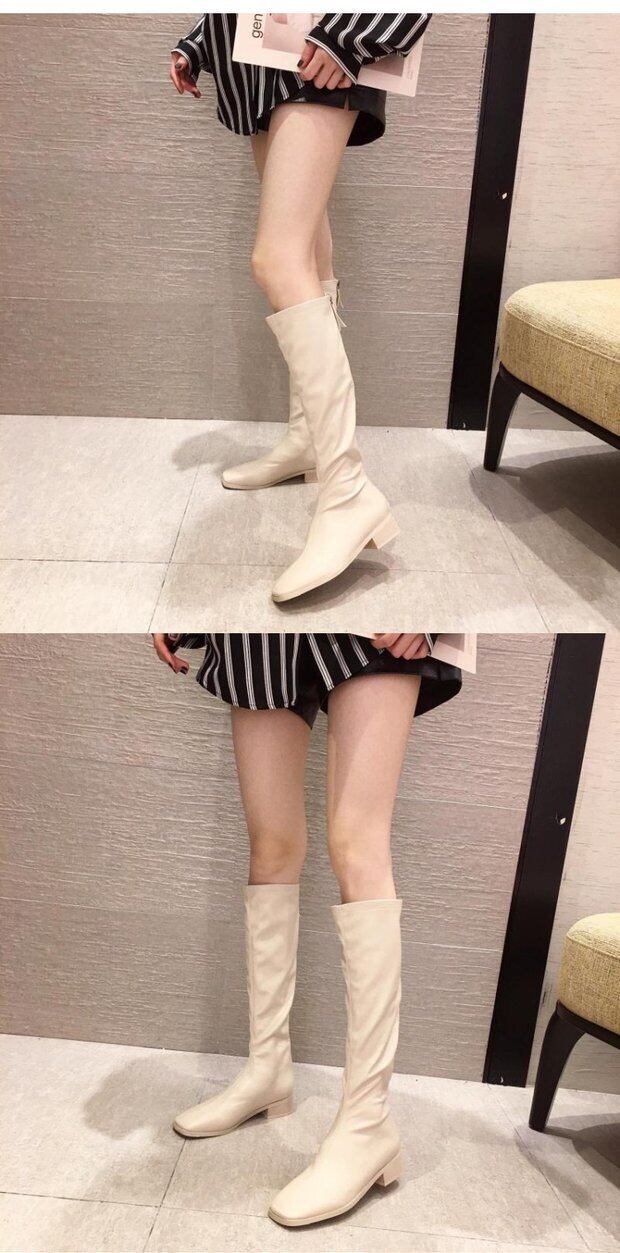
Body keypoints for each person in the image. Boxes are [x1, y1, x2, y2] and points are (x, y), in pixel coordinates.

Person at [152, 631, 460, 1227]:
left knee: (358, 847)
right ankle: (267, 1068)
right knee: (271, 846)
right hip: (261, 631)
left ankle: (368, 1125)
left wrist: (434, 612)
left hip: (369, 619)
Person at [170, 15, 431, 603]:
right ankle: (306, 439)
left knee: (277, 260)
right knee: (306, 251)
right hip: (263, 56)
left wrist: (351, 33)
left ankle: (348, 488)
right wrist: (199, 42)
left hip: (319, 44)